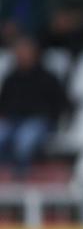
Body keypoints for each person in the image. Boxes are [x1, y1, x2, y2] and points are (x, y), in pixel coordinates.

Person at [0, 36, 68, 178]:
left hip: (40, 121)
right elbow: (4, 103)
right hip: (13, 121)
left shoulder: (47, 77)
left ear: (34, 53)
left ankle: (22, 176)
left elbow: (60, 104)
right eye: (18, 51)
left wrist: (49, 118)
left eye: (24, 51)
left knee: (25, 140)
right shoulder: (11, 78)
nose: (21, 55)